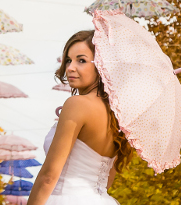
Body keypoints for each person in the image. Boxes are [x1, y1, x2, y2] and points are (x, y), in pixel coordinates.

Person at [27, 30, 132, 205]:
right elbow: (107, 180)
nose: (70, 68)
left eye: (81, 60)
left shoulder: (77, 104)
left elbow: (48, 177)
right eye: (68, 60)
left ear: (101, 65)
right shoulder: (119, 114)